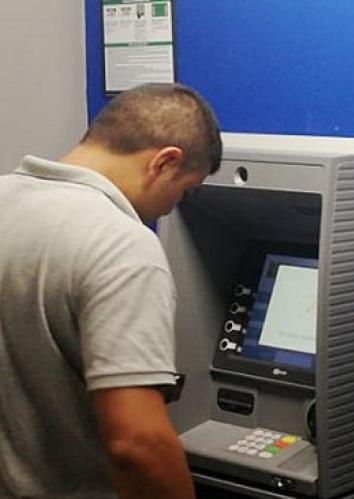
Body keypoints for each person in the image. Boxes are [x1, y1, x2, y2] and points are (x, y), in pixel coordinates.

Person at [0, 83, 221, 499]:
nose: (173, 207)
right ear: (165, 162)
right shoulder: (122, 246)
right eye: (185, 190)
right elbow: (136, 445)